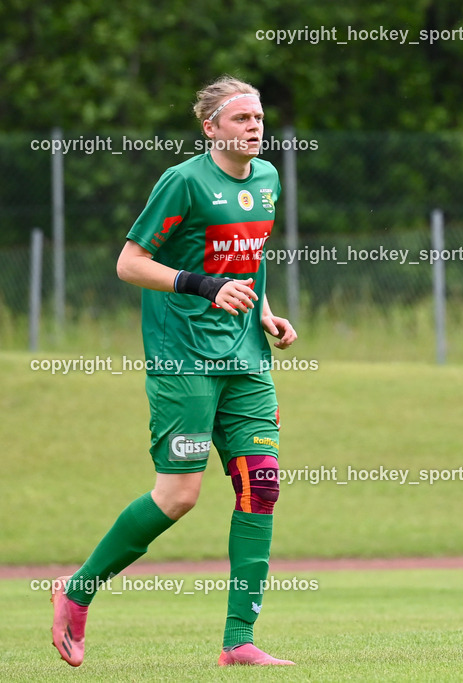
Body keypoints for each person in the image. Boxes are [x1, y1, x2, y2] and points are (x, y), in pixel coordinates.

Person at [50, 76, 297, 667]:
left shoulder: (267, 180)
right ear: (210, 128)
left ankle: (239, 643)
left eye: (258, 117)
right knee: (179, 495)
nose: (254, 127)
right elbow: (130, 264)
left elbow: (245, 264)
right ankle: (77, 591)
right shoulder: (183, 182)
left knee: (260, 486)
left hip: (245, 363)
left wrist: (264, 313)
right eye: (240, 119)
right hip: (181, 360)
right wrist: (204, 287)